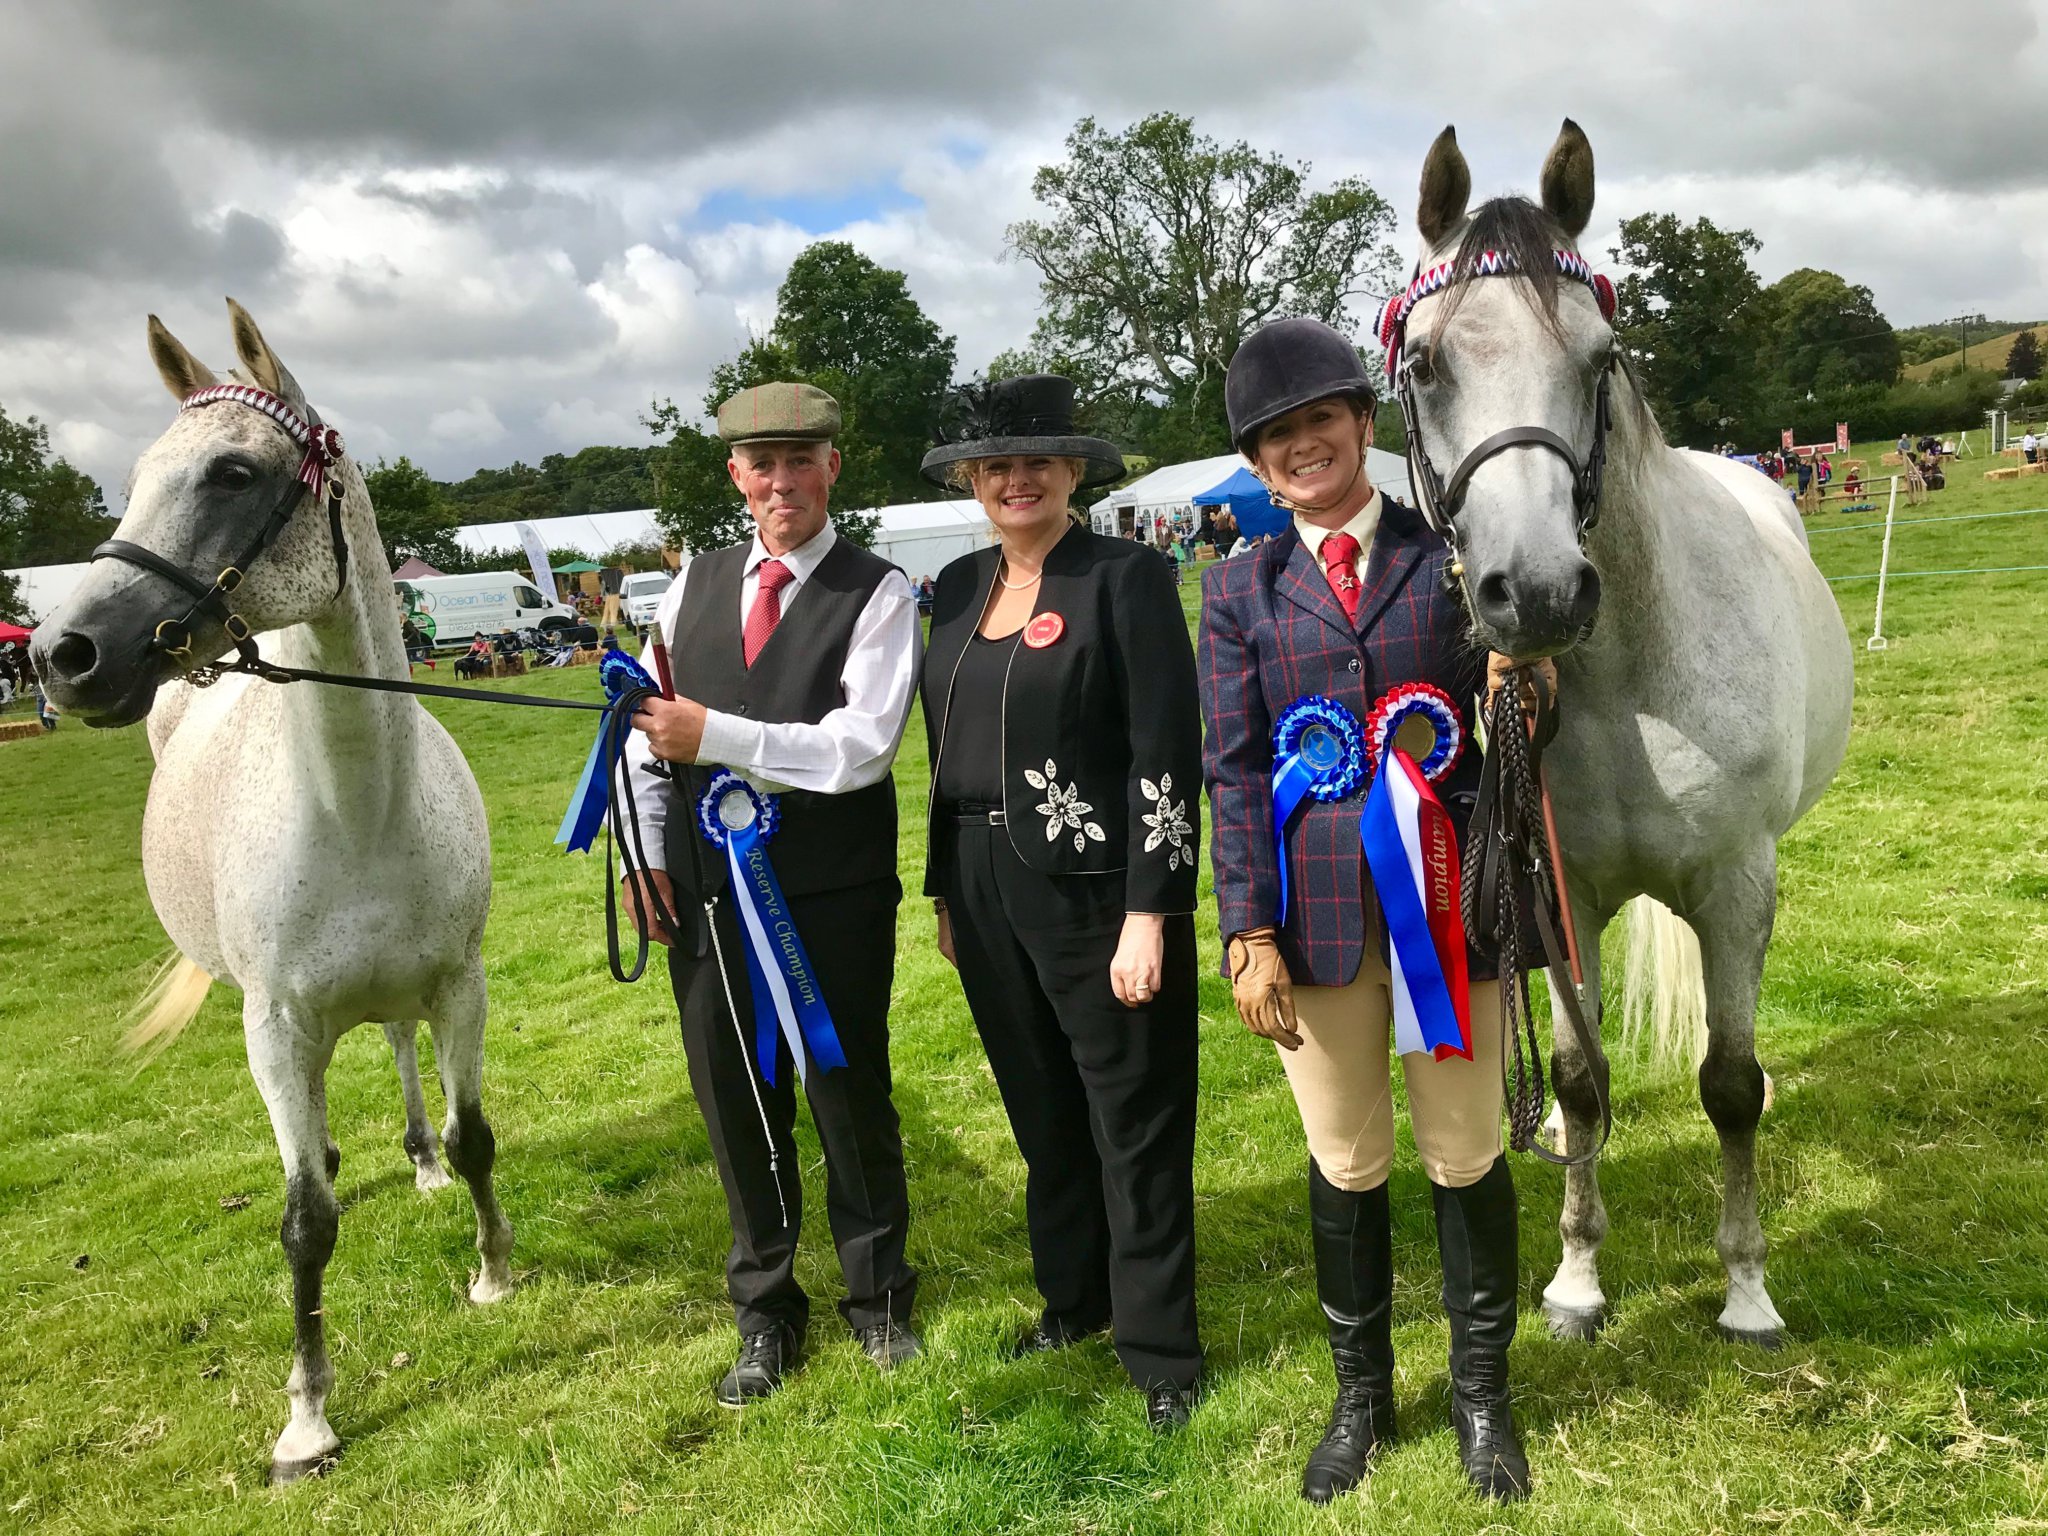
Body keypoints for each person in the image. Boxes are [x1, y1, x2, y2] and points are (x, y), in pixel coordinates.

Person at [1198, 317, 1532, 1505]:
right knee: (1344, 1160)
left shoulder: (1446, 551)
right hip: (1315, 921)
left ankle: (1482, 1396)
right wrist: (1244, 930)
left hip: (1454, 903)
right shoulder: (1238, 586)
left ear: (1360, 423)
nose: (1303, 448)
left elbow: (1513, 731)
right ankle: (1362, 1397)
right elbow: (1234, 771)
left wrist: (1520, 682)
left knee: (1463, 1149)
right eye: (1277, 435)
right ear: (1256, 454)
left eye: (1320, 423)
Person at [620, 381, 923, 1405]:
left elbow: (860, 747)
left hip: (830, 896)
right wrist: (647, 852)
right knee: (734, 1102)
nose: (781, 480)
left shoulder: (875, 592)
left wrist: (718, 736)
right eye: (762, 463)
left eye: (802, 460)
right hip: (706, 901)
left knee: (845, 1093)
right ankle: (764, 1312)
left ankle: (879, 1298)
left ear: (833, 466)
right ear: (734, 476)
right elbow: (642, 732)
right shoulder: (689, 586)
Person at [918, 374, 1205, 1433]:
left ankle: (1160, 1347)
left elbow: (1162, 751)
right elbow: (940, 751)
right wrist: (946, 890)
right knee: (1041, 1113)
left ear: (1073, 469)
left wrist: (1151, 910)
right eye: (993, 465)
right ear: (969, 481)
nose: (1014, 478)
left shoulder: (1124, 577)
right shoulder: (951, 586)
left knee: (1131, 1116)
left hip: (1095, 891)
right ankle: (1071, 1302)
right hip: (982, 885)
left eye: (1035, 460)